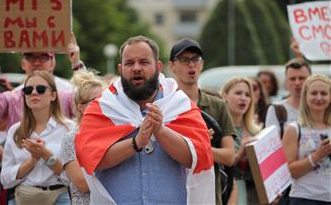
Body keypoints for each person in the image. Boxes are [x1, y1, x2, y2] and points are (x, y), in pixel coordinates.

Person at [75, 35, 215, 204]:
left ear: (158, 67)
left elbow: (198, 158)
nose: (136, 68)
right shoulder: (103, 108)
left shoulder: (180, 106)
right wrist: (135, 143)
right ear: (120, 69)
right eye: (129, 63)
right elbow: (91, 160)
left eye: (143, 62)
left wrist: (161, 131)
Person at [169, 38, 236, 205]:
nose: (191, 65)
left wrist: (202, 146)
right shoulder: (164, 105)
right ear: (172, 66)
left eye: (195, 59)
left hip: (209, 195)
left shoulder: (218, 105)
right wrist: (196, 145)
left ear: (202, 64)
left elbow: (229, 157)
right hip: (173, 192)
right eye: (184, 60)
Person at [0, 33, 83, 128]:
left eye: (43, 57)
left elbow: (89, 104)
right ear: (23, 64)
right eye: (30, 57)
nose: (36, 62)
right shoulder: (13, 97)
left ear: (52, 63)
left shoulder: (67, 93)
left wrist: (76, 63)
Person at [0, 70, 75, 205]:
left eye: (40, 89)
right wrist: (31, 162)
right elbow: (5, 179)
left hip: (58, 198)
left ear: (53, 96)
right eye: (28, 90)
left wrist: (46, 155)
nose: (34, 93)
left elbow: (73, 178)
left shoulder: (69, 129)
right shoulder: (15, 131)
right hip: (23, 198)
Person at [282, 74, 331, 204]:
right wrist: (317, 155)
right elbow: (288, 171)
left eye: (324, 93)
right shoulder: (294, 129)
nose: (319, 98)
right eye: (314, 93)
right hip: (304, 198)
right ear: (305, 96)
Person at [61, 69, 105, 204]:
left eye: (106, 99)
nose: (103, 104)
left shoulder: (115, 134)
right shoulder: (70, 139)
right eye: (96, 100)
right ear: (81, 107)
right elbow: (82, 184)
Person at [221, 77, 262, 205]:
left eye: (247, 95)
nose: (243, 98)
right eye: (238, 93)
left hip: (255, 195)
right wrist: (240, 154)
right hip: (228, 192)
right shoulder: (218, 130)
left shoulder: (257, 131)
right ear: (225, 96)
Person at [265, 58, 312, 137]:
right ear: (286, 81)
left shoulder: (322, 107)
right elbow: (272, 145)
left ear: (310, 79)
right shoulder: (276, 109)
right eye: (292, 79)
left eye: (302, 78)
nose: (297, 83)